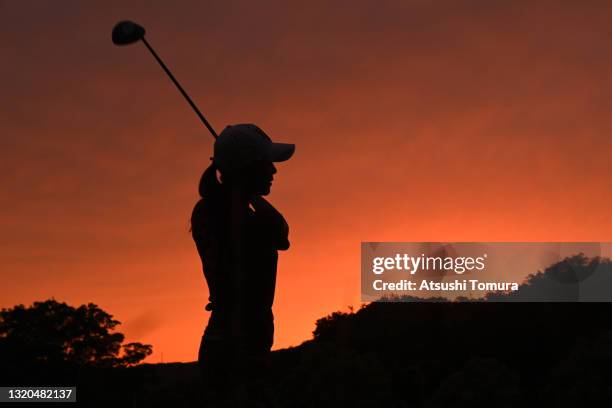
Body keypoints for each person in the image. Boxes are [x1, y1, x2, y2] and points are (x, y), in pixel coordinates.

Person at [191, 124, 294, 405]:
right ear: (248, 168)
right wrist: (251, 195)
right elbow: (282, 236)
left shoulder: (206, 211)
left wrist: (243, 190)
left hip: (223, 342)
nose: (274, 170)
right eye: (266, 163)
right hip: (241, 350)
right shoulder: (252, 221)